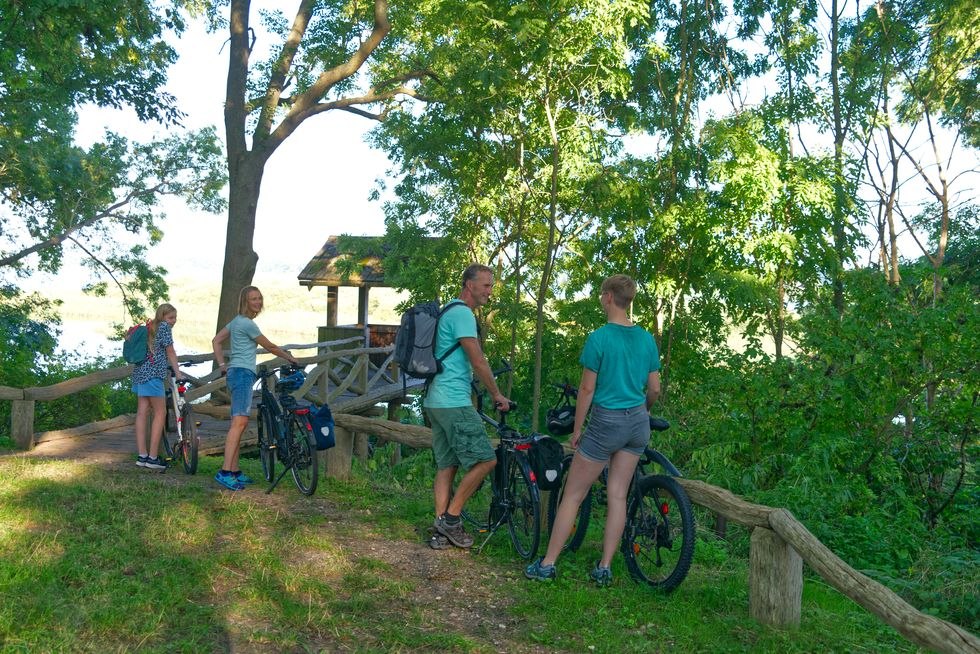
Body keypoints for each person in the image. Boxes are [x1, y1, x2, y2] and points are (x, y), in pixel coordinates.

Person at [525, 274, 661, 585]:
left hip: (606, 423)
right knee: (617, 495)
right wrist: (643, 412)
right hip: (637, 424)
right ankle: (604, 567)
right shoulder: (646, 339)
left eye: (601, 294)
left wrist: (576, 430)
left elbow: (586, 390)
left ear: (609, 297)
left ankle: (547, 564)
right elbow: (654, 388)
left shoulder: (599, 338)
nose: (600, 298)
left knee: (572, 495)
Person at [425, 263, 511, 548]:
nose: (489, 291)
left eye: (491, 286)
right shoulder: (462, 314)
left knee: (446, 464)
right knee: (487, 459)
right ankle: (451, 518)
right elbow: (478, 360)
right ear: (469, 285)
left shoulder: (448, 309)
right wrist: (497, 394)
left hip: (435, 400)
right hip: (453, 402)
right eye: (485, 285)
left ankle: (440, 530)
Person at [212, 286, 299, 491]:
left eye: (259, 298)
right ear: (245, 301)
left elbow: (216, 341)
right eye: (253, 299)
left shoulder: (236, 322)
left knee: (239, 422)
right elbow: (270, 347)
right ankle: (225, 472)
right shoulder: (247, 324)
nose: (258, 302)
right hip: (242, 374)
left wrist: (223, 365)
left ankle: (234, 471)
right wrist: (290, 358)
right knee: (239, 422)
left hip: (237, 373)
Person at [132, 303, 183, 471]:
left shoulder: (149, 327)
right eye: (170, 317)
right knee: (160, 412)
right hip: (153, 375)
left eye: (175, 317)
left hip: (140, 373)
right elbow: (170, 352)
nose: (173, 321)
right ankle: (153, 458)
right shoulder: (164, 327)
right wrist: (179, 373)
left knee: (142, 412)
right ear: (162, 316)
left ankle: (142, 456)